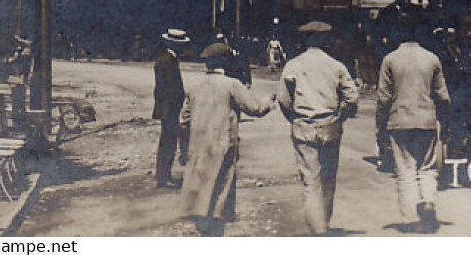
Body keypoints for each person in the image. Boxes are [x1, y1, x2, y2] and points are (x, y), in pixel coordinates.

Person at [180, 42, 273, 236]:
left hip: (198, 147)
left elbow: (183, 120)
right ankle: (214, 233)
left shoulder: (194, 86)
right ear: (224, 60)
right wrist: (269, 102)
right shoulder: (232, 84)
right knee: (220, 191)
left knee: (201, 188)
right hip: (223, 145)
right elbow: (254, 108)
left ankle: (203, 229)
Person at [277, 21, 359, 235]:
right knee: (328, 179)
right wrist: (341, 116)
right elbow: (352, 97)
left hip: (303, 126)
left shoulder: (293, 65)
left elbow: (284, 99)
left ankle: (317, 228)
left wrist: (294, 118)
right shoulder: (336, 65)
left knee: (310, 179)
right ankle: (325, 222)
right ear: (323, 39)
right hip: (330, 126)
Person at [376, 11, 449, 233]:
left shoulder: (390, 59)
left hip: (399, 121)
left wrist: (380, 126)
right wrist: (444, 122)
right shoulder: (432, 58)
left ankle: (409, 219)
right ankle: (427, 200)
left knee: (405, 170)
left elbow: (383, 98)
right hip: (427, 120)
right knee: (427, 167)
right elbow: (443, 96)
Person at [154, 29, 190, 187]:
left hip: (169, 107)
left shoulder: (168, 58)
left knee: (168, 140)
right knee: (168, 141)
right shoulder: (167, 60)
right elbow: (165, 88)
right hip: (169, 107)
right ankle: (163, 177)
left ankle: (164, 175)